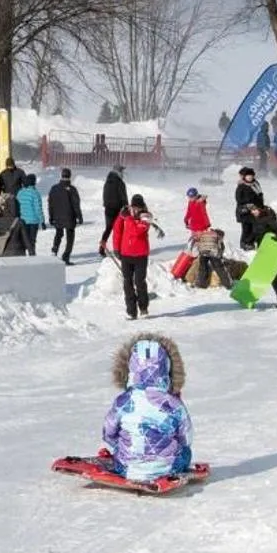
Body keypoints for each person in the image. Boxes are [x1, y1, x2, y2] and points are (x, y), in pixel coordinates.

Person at [100, 334, 192, 484]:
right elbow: (186, 438)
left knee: (122, 448)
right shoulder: (174, 404)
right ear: (166, 370)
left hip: (127, 468)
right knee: (185, 452)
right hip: (167, 469)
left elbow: (108, 433)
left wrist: (120, 446)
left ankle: (127, 459)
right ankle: (164, 465)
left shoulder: (124, 401)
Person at [108, 194, 165, 320]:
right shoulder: (125, 214)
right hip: (126, 254)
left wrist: (128, 218)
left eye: (138, 207)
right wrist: (116, 248)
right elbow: (117, 231)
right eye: (134, 207)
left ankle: (143, 308)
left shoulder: (146, 217)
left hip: (140, 255)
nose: (136, 210)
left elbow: (137, 231)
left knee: (140, 282)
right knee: (127, 283)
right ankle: (131, 311)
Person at [48, 169, 83, 262]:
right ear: (70, 176)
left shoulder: (54, 188)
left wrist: (51, 217)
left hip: (57, 216)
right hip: (69, 217)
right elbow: (76, 204)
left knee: (58, 234)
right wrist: (79, 217)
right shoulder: (72, 189)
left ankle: (54, 250)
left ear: (61, 175)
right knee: (70, 237)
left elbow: (50, 203)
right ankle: (66, 256)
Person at [98, 164, 128, 253]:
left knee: (108, 228)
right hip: (118, 209)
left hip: (108, 209)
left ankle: (102, 247)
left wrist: (107, 204)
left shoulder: (107, 182)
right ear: (118, 172)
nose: (123, 173)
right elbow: (123, 197)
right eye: (122, 171)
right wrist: (126, 207)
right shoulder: (120, 183)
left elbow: (104, 195)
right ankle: (119, 249)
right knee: (119, 229)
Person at [15, 175, 45, 256]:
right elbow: (38, 208)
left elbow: (17, 206)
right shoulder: (35, 193)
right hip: (33, 221)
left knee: (24, 239)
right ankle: (32, 256)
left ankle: (23, 255)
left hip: (23, 220)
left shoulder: (20, 193)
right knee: (32, 240)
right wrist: (42, 221)